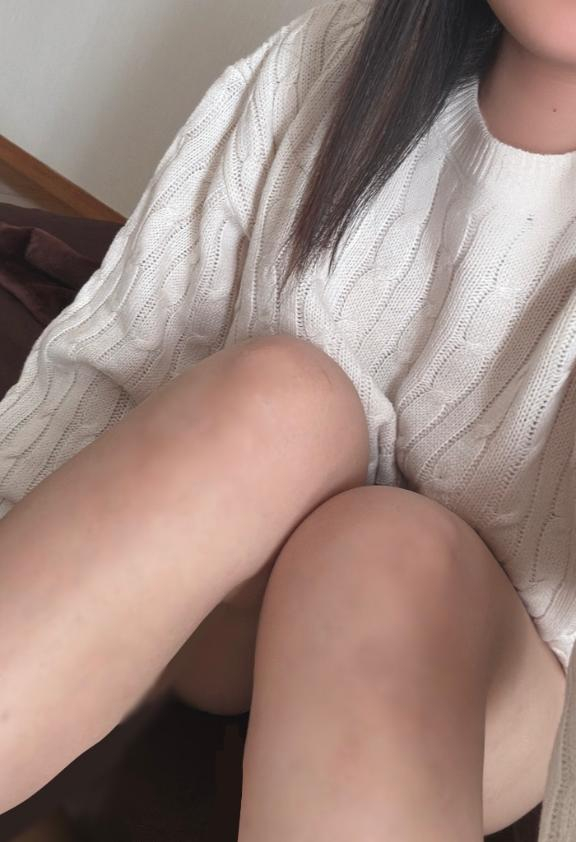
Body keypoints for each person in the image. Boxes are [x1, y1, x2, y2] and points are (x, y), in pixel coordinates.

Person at [0, 0, 574, 838]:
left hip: (500, 688)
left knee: (383, 553)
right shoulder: (339, 49)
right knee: (276, 400)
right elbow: (135, 353)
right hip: (238, 610)